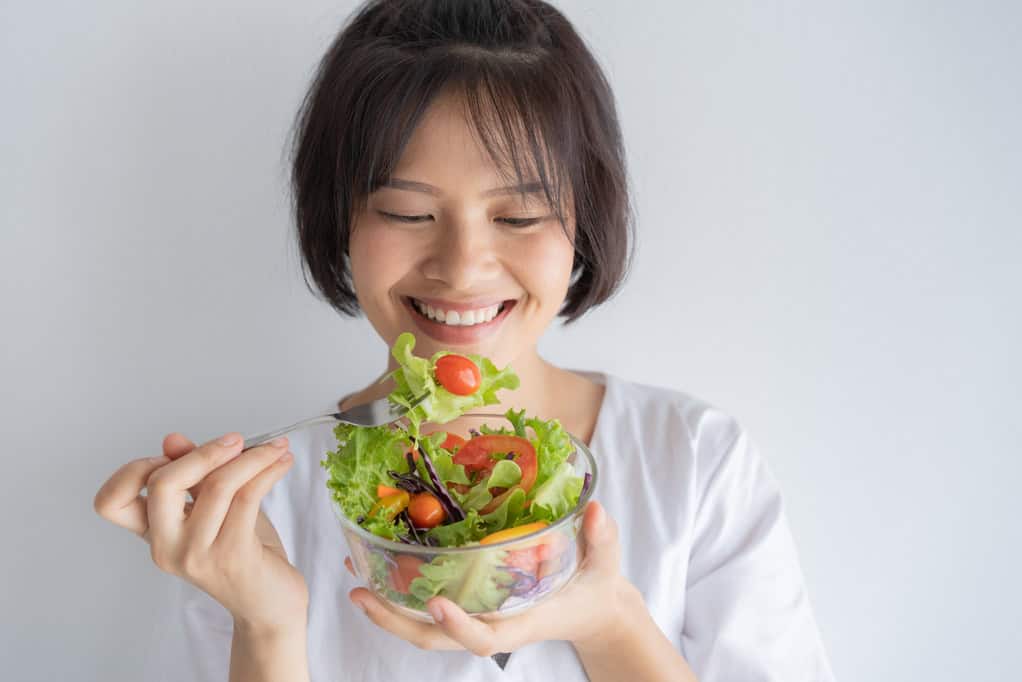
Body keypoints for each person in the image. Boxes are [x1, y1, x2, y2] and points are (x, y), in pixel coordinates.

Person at [93, 1, 835, 680]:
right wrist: (267, 626)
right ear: (339, 220)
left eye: (517, 218)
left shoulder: (695, 463)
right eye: (409, 214)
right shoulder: (255, 519)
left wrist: (610, 623)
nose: (462, 268)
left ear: (586, 223)